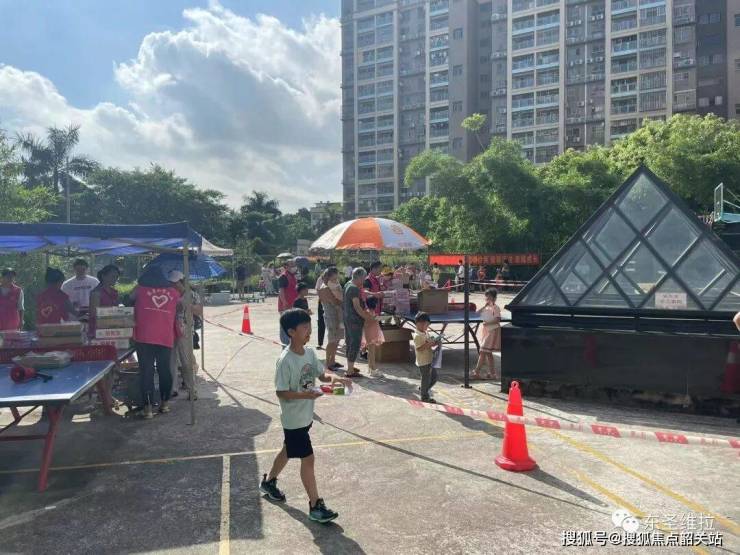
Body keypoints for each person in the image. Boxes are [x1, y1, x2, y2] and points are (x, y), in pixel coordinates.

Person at [259, 308, 351, 523]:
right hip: (293, 419)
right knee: (308, 459)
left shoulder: (309, 353)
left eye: (310, 326)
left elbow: (322, 375)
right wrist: (305, 395)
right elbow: (281, 392)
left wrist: (336, 379)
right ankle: (315, 505)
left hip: (305, 416)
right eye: (304, 327)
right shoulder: (285, 360)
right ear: (291, 332)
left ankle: (269, 482)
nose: (309, 330)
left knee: (288, 449)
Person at [132, 266, 181, 419]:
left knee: (146, 371)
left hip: (144, 337)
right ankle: (164, 404)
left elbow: (127, 299)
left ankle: (147, 409)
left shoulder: (139, 290)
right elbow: (179, 307)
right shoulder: (173, 293)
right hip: (165, 336)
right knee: (164, 370)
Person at [168, 270, 201, 400]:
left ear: (182, 282)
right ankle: (172, 388)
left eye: (175, 283)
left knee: (186, 362)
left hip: (185, 332)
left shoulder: (192, 295)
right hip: (170, 331)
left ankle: (192, 389)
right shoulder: (169, 294)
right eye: (171, 283)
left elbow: (199, 311)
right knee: (171, 361)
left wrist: (188, 305)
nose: (173, 285)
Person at [343, 267, 374, 377]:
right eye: (363, 278)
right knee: (355, 343)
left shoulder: (348, 284)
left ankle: (350, 366)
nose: (364, 281)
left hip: (347, 318)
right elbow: (357, 307)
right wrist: (367, 317)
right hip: (354, 320)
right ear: (359, 277)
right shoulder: (354, 288)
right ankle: (350, 370)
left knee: (349, 341)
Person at [318, 267, 343, 370]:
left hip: (337, 316)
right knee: (332, 340)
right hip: (331, 316)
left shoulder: (333, 286)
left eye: (337, 278)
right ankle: (328, 363)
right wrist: (340, 296)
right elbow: (336, 302)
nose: (336, 280)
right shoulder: (324, 288)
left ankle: (333, 360)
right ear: (328, 277)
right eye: (334, 278)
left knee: (337, 339)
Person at [473, 288, 501, 380]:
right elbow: (476, 313)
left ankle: (476, 372)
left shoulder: (496, 307)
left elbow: (497, 319)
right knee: (488, 353)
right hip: (487, 330)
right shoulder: (486, 307)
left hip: (493, 330)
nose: (487, 299)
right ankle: (493, 374)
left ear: (494, 298)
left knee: (483, 351)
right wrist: (484, 306)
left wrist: (488, 323)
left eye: (489, 297)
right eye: (486, 297)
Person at [413, 312, 440, 403]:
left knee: (434, 378)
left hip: (430, 359)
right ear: (419, 324)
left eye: (428, 325)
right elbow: (419, 348)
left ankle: (423, 389)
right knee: (426, 378)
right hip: (423, 361)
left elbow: (428, 342)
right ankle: (424, 396)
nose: (427, 327)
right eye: (426, 325)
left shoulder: (425, 332)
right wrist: (429, 344)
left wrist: (435, 342)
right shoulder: (417, 336)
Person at [88, 264, 121, 339]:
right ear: (103, 276)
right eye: (113, 276)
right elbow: (93, 313)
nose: (115, 279)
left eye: (116, 277)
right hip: (98, 331)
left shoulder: (114, 292)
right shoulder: (96, 293)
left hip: (112, 329)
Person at [278, 259, 299, 345]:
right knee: (285, 325)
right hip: (286, 305)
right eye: (291, 265)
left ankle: (291, 343)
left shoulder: (293, 276)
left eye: (294, 265)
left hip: (293, 304)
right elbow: (281, 291)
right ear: (286, 267)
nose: (294, 267)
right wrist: (284, 302)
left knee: (292, 325)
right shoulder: (283, 276)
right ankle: (285, 344)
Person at [363, 295, 385, 377]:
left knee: (370, 351)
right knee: (372, 352)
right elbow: (368, 322)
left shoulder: (369, 312)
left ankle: (370, 367)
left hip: (371, 333)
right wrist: (375, 319)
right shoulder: (368, 312)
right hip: (370, 333)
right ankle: (373, 369)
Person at [315, 271, 326, 350]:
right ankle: (320, 343)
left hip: (331, 304)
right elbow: (318, 290)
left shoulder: (334, 280)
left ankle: (334, 342)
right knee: (321, 323)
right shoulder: (320, 279)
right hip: (322, 302)